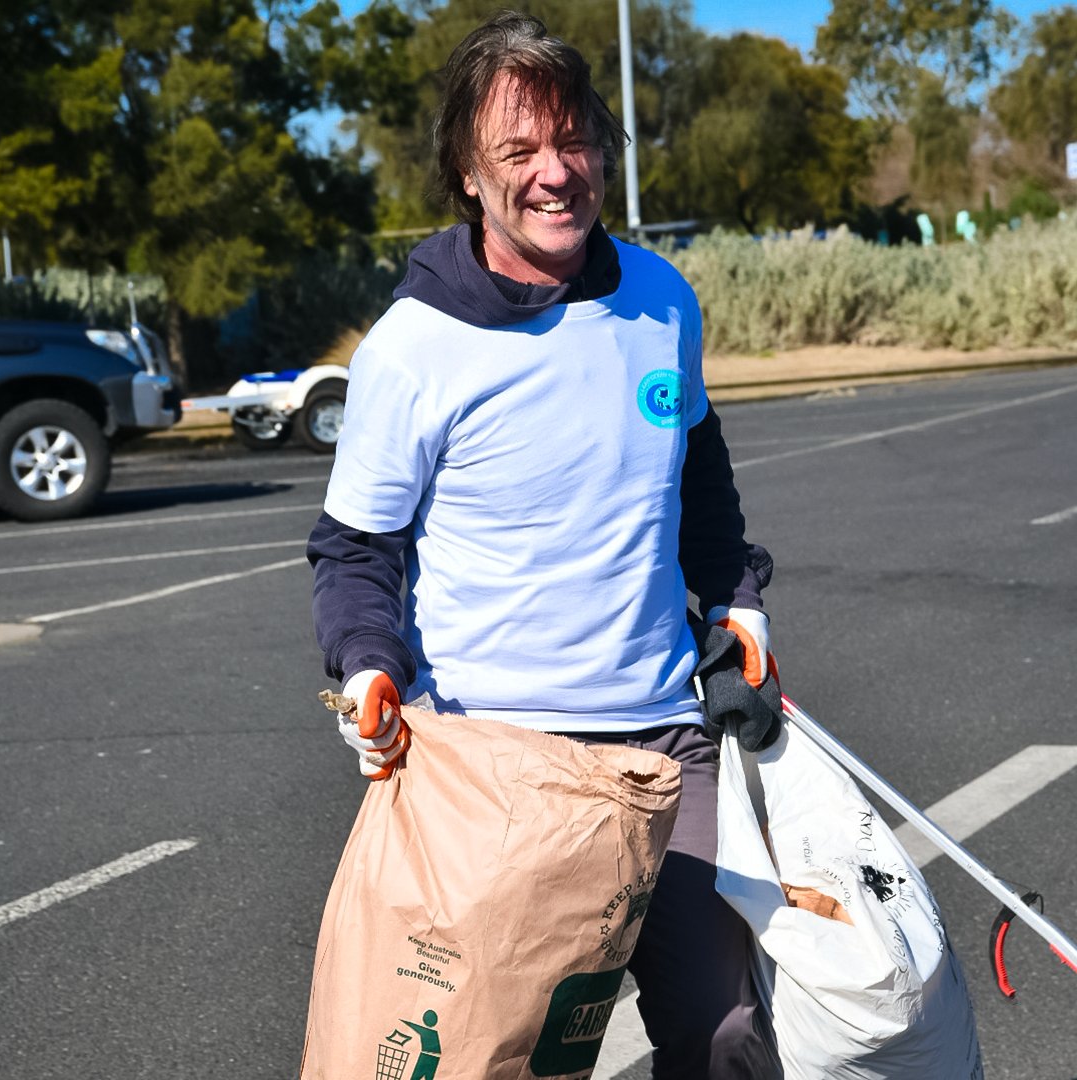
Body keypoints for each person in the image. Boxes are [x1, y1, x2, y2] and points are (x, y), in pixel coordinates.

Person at [307, 11, 782, 1077]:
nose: (555, 174)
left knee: (730, 1036)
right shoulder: (415, 349)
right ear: (468, 177)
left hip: (667, 746)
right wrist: (367, 665)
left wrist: (737, 600)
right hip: (492, 764)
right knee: (491, 1056)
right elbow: (354, 550)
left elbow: (697, 477)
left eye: (575, 144)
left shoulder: (662, 301)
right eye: (518, 152)